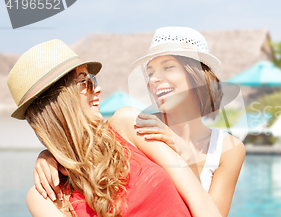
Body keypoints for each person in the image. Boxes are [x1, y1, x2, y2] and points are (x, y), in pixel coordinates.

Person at [34, 27, 246, 216]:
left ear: (197, 74)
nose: (154, 79)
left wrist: (186, 155)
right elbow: (88, 142)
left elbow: (209, 209)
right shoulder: (136, 125)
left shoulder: (228, 148)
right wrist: (48, 156)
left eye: (168, 67)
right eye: (150, 72)